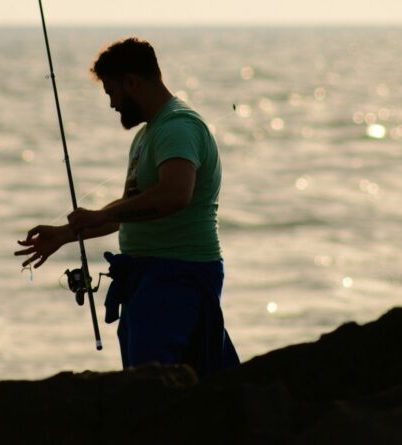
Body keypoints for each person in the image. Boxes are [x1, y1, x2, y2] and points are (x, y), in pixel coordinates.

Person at [15, 37, 239, 376]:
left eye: (112, 93)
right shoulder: (147, 135)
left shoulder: (178, 127)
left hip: (178, 277)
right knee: (151, 382)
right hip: (146, 279)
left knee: (156, 388)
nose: (112, 104)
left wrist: (102, 213)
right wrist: (64, 234)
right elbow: (132, 210)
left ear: (132, 82)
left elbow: (176, 194)